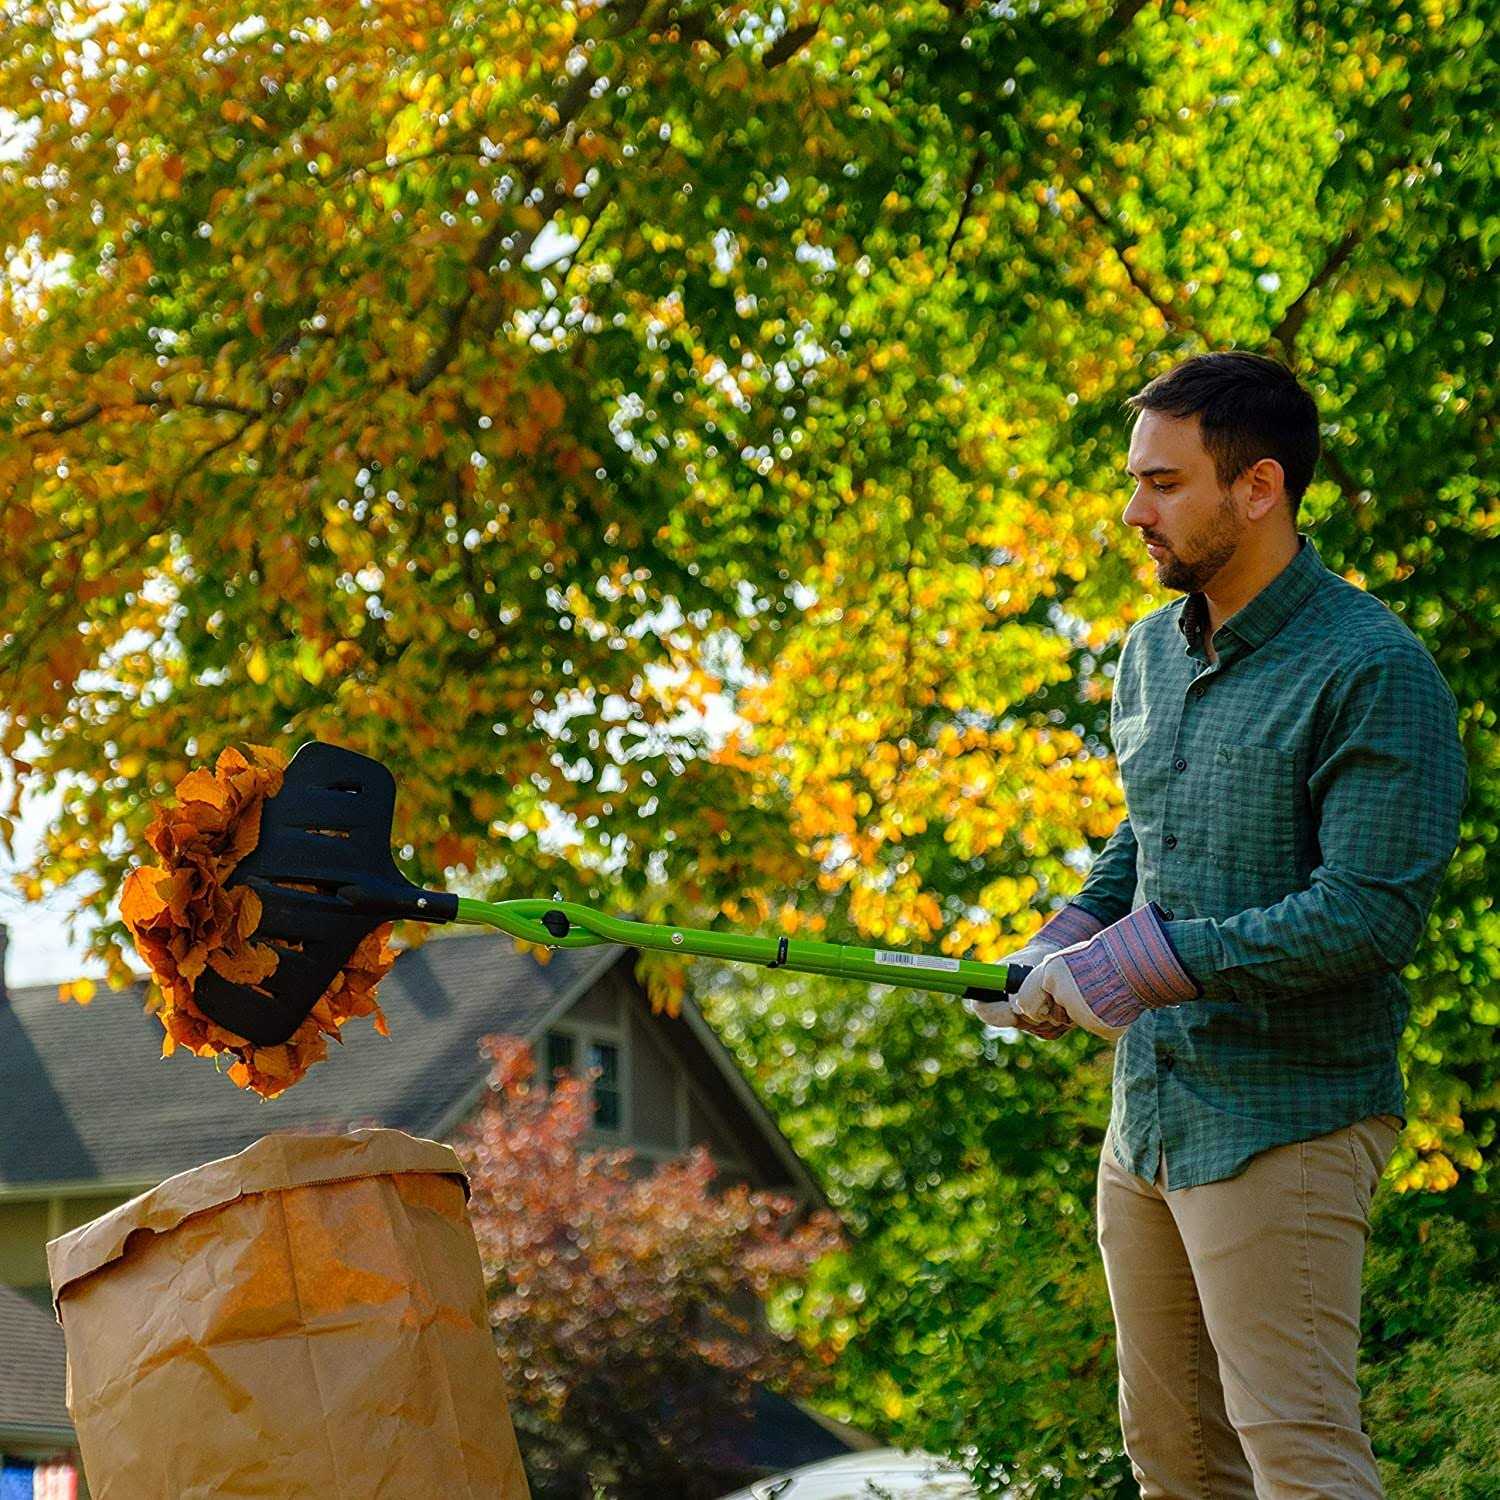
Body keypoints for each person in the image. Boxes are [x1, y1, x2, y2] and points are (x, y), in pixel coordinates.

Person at [968, 351, 1467, 1498]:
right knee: (1176, 1464)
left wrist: (1140, 966)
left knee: (1299, 1458)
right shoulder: (1150, 652)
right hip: (1149, 1120)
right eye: (1134, 483)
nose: (1133, 513)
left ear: (1259, 487)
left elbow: (1367, 916)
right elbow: (1146, 841)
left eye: (1164, 483)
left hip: (1286, 1118)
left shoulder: (1373, 668)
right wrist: (1060, 939)